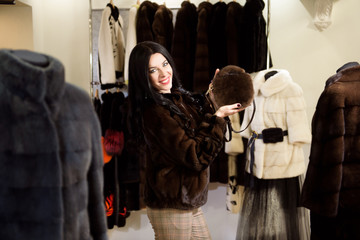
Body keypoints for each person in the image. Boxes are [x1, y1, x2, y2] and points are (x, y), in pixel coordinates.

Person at [127, 41, 244, 240]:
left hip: (186, 203)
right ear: (143, 77)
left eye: (165, 64)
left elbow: (197, 130)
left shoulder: (176, 99)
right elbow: (196, 156)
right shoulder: (155, 113)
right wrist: (218, 118)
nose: (164, 74)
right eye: (153, 70)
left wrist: (213, 99)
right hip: (172, 205)